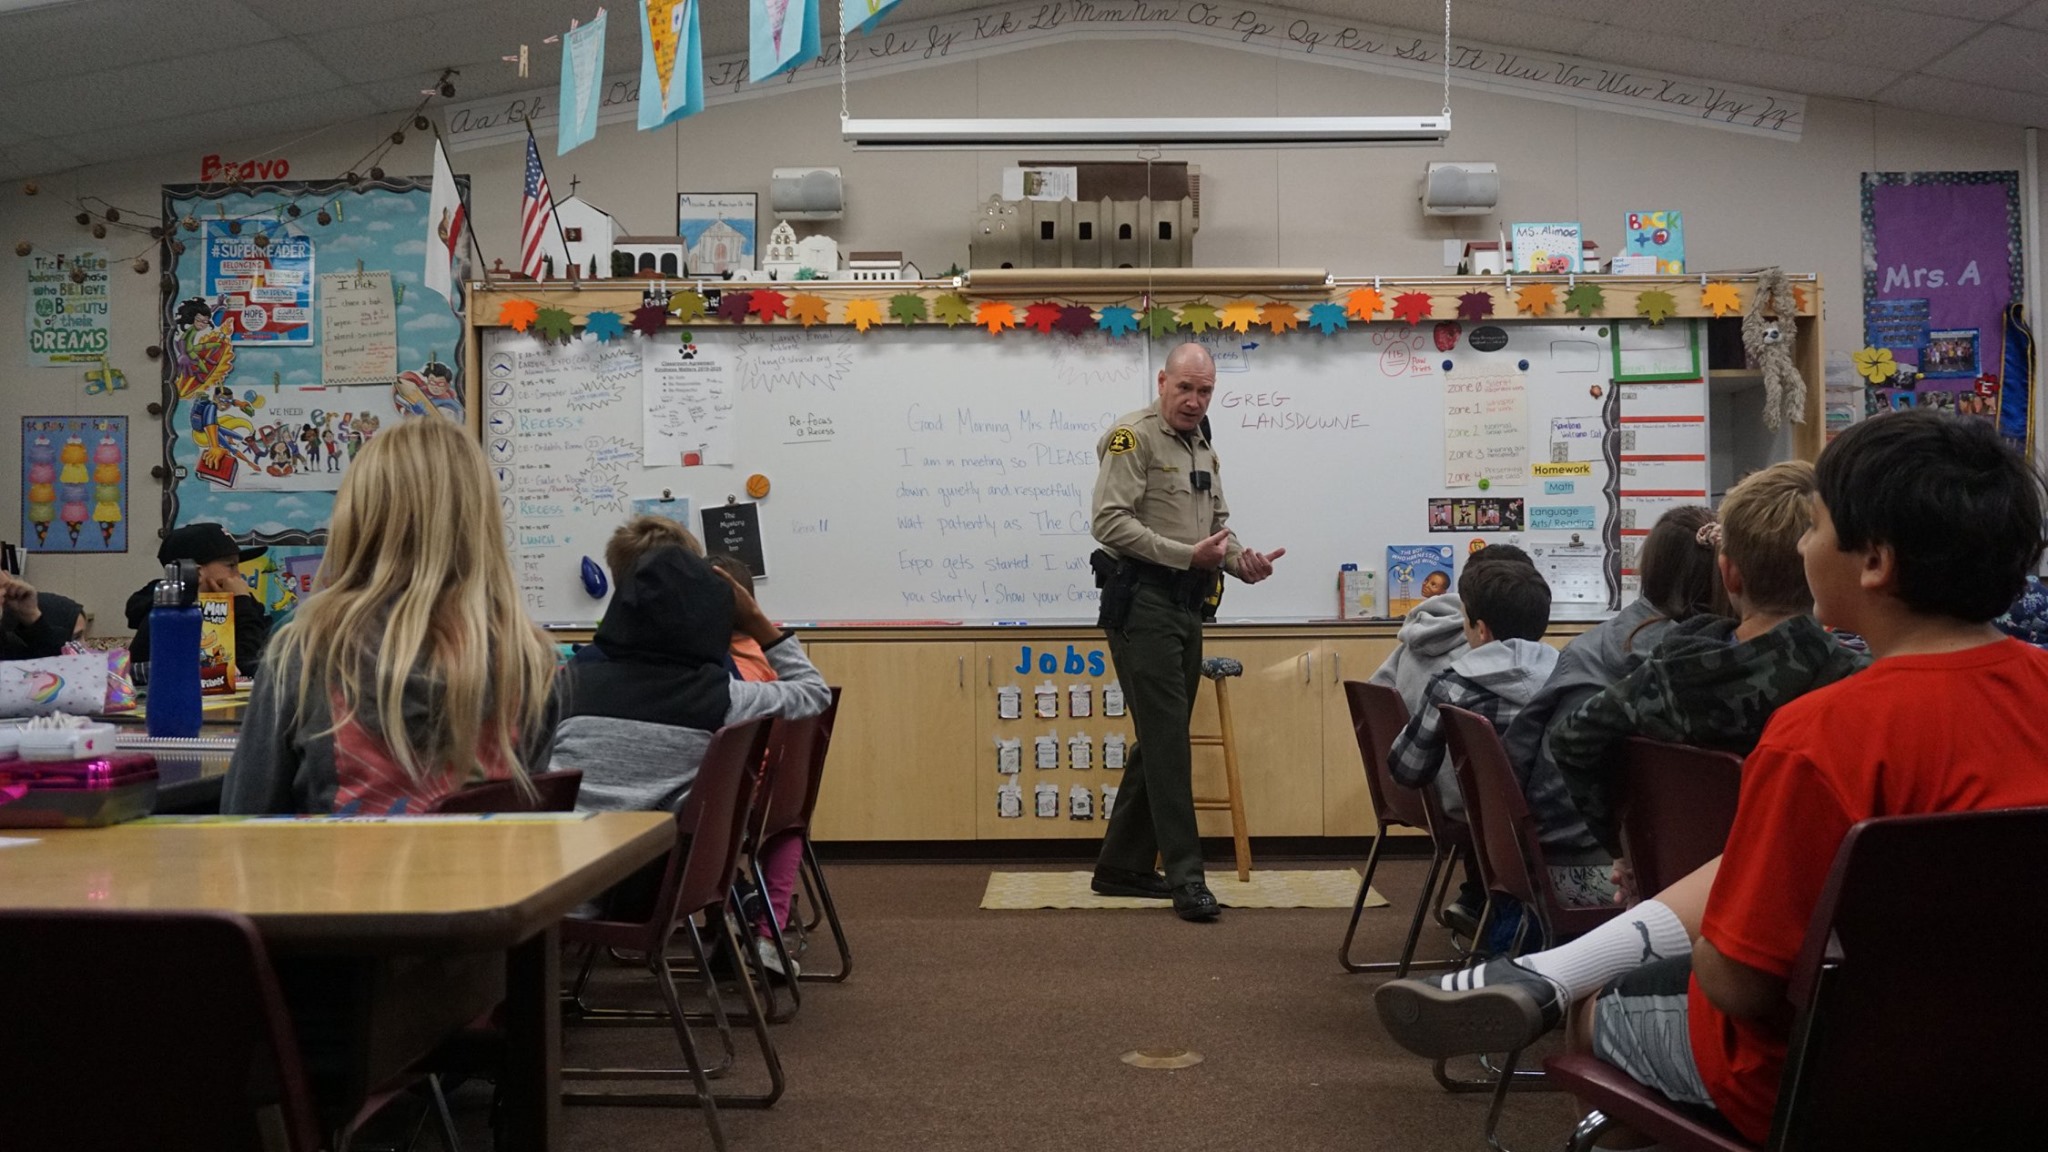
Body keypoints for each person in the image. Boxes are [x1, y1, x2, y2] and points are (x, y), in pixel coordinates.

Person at [1373, 410, 2048, 1145]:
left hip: (1819, 1078)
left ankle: (1562, 981)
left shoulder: (1824, 733)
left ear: (1875, 562)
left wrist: (1682, 943)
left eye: (1814, 526)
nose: (1804, 544)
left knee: (1601, 1009)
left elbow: (1737, 984)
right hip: (2013, 1063)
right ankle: (1552, 970)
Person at [223, 417, 559, 815]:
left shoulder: (307, 651)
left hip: (334, 876)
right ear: (480, 523)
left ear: (359, 517)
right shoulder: (529, 663)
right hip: (489, 877)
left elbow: (243, 821)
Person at [1547, 462, 1868, 856]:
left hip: (1675, 890)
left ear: (1728, 574)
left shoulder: (1666, 676)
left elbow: (1571, 740)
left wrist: (1627, 850)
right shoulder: (1856, 682)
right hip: (1805, 899)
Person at [1087, 342, 1286, 921]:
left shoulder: (1203, 445)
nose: (1195, 401)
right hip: (1142, 604)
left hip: (1186, 606)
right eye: (1186, 389)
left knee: (1160, 738)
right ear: (1162, 381)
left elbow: (1217, 528)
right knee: (1171, 742)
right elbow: (1108, 522)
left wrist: (1241, 560)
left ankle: (1121, 868)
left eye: (1205, 392)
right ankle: (1186, 878)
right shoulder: (1133, 437)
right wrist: (1185, 556)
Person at [1486, 506, 1726, 916]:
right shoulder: (1698, 664)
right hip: (1605, 869)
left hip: (1539, 851)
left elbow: (1519, 750)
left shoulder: (1595, 639)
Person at [549, 540, 829, 815]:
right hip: (660, 853)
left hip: (563, 850)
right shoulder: (724, 696)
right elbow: (815, 693)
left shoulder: (569, 684)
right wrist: (755, 619)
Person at [1383, 559, 1594, 897]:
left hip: (1500, 843)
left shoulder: (1454, 685)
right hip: (1580, 844)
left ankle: (1478, 903)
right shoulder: (1573, 675)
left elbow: (1407, 770)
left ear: (1480, 630)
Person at [124, 521, 273, 679]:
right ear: (197, 573)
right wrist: (241, 603)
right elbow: (247, 666)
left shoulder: (239, 606)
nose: (238, 576)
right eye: (231, 566)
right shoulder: (170, 616)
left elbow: (269, 653)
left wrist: (245, 605)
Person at [0, 572, 85, 660]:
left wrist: (32, 617)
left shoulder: (7, 644)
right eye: (76, 638)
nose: (5, 580)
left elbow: (54, 666)